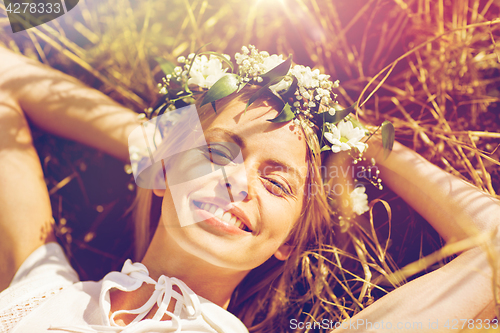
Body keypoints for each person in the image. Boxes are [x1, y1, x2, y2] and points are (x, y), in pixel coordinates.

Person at [0, 44, 499, 333]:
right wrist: (165, 147)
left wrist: (363, 142)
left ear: (291, 242)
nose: (237, 180)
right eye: (219, 154)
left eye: (276, 181)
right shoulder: (39, 286)